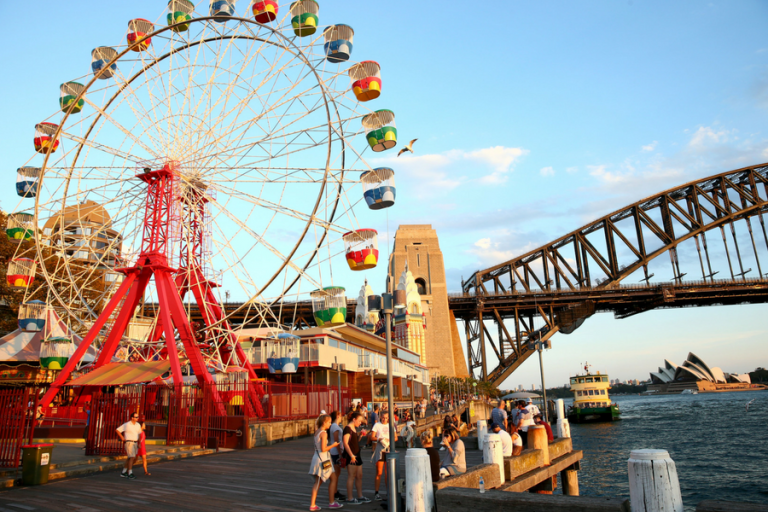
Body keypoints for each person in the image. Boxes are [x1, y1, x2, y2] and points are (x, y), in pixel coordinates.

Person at [309, 414, 343, 511]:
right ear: (324, 423)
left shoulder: (317, 432)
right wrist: (334, 445)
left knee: (318, 482)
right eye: (329, 422)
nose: (330, 424)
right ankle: (331, 502)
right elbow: (324, 448)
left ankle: (313, 504)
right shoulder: (324, 433)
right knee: (333, 479)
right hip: (323, 459)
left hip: (317, 457)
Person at [342, 412, 371, 505]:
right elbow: (345, 443)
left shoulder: (354, 428)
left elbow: (354, 441)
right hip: (352, 456)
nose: (360, 423)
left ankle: (360, 496)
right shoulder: (347, 429)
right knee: (352, 476)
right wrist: (351, 455)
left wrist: (360, 436)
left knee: (359, 476)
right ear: (353, 419)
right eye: (359, 421)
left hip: (357, 455)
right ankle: (350, 498)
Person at [370, 411, 397, 500]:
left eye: (386, 418)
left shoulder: (391, 425)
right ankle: (376, 492)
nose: (384, 419)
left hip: (388, 449)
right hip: (380, 449)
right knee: (379, 472)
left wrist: (389, 440)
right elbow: (372, 437)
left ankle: (388, 492)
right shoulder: (377, 425)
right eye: (383, 417)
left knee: (387, 473)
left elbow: (396, 437)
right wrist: (380, 438)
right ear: (380, 417)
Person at [116, 411, 143, 479]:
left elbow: (139, 434)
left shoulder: (138, 425)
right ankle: (130, 472)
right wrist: (122, 437)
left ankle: (124, 472)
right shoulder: (127, 424)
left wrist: (139, 443)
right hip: (129, 442)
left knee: (130, 458)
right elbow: (118, 430)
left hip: (135, 442)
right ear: (132, 418)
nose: (137, 418)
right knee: (132, 457)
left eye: (137, 417)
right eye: (136, 417)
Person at [329, 412, 346, 503]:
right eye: (341, 415)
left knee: (337, 474)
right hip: (336, 452)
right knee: (336, 474)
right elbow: (336, 441)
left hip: (335, 451)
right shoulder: (335, 427)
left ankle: (335, 491)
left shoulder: (334, 426)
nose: (342, 417)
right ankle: (334, 493)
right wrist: (340, 454)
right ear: (338, 416)